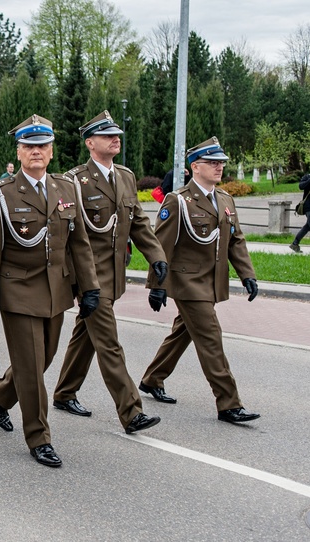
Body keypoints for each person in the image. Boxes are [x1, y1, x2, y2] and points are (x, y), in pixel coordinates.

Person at [0, 114, 100, 469]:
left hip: (56, 291)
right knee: (31, 368)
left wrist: (89, 287)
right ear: (18, 152)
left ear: (51, 150)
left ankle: (0, 393)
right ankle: (39, 437)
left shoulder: (66, 188)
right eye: (29, 146)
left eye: (42, 145)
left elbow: (80, 243)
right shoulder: (1, 194)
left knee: (42, 359)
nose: (36, 151)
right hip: (18, 290)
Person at [51, 111, 166, 434]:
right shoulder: (74, 180)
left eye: (116, 134)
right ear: (90, 143)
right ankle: (131, 411)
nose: (116, 139)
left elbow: (139, 222)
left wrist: (155, 255)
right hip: (89, 277)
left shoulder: (126, 176)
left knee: (86, 335)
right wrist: (76, 280)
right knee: (109, 342)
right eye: (106, 136)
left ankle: (62, 392)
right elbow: (69, 233)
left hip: (113, 274)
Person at [140, 137, 261, 424]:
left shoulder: (225, 200)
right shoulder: (178, 200)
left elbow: (236, 241)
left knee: (183, 331)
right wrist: (157, 286)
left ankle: (152, 379)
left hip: (211, 281)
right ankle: (229, 403)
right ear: (196, 167)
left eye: (221, 163)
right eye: (213, 163)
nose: (219, 167)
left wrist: (248, 274)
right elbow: (161, 246)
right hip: (187, 282)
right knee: (210, 338)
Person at [289, 173, 310, 252]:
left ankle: (295, 244)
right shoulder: (307, 177)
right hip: (309, 207)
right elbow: (301, 186)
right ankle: (295, 244)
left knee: (308, 226)